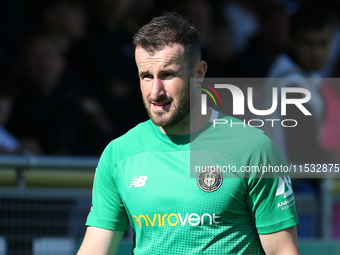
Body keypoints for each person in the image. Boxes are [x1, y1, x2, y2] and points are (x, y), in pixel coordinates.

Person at [77, 13, 300, 255]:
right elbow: (95, 249)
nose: (155, 92)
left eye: (168, 75)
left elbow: (282, 251)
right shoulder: (119, 153)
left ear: (199, 73)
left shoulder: (254, 149)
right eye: (146, 76)